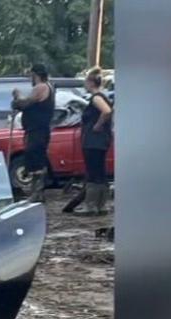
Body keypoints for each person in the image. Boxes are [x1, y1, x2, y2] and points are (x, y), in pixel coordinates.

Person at [11, 63, 56, 202]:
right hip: (37, 129)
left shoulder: (41, 87)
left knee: (35, 159)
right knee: (35, 158)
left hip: (37, 130)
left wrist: (17, 98)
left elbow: (26, 103)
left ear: (35, 74)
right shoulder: (47, 86)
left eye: (31, 74)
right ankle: (37, 193)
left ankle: (37, 193)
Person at [77, 67, 114, 215]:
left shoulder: (96, 98)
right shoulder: (104, 96)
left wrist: (97, 125)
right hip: (101, 141)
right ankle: (101, 205)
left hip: (93, 141)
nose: (85, 84)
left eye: (86, 81)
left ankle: (91, 205)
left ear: (91, 82)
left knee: (93, 171)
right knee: (100, 172)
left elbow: (106, 111)